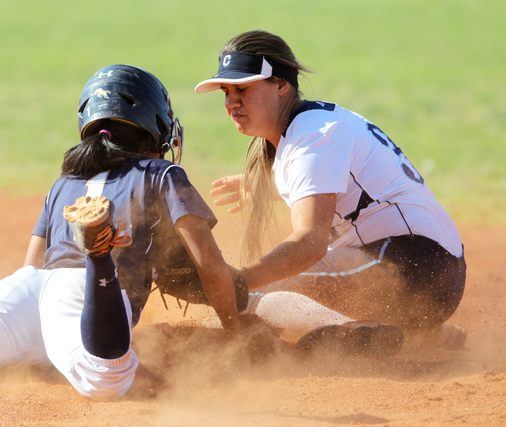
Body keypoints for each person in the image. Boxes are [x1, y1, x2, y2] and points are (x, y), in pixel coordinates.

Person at [0, 64, 241, 401]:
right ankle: (99, 256)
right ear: (155, 125)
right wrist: (234, 334)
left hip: (29, 291)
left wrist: (45, 338)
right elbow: (210, 267)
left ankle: (87, 278)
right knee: (108, 379)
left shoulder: (65, 182)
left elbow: (32, 267)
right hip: (87, 296)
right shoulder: (163, 174)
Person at [195, 30, 467, 349]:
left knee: (254, 293)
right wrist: (265, 185)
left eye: (242, 88)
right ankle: (422, 337)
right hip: (427, 270)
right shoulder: (309, 126)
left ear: (282, 84)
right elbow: (331, 184)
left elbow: (310, 243)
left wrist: (237, 281)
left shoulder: (313, 137)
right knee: (260, 291)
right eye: (225, 92)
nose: (231, 102)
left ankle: (360, 333)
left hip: (412, 265)